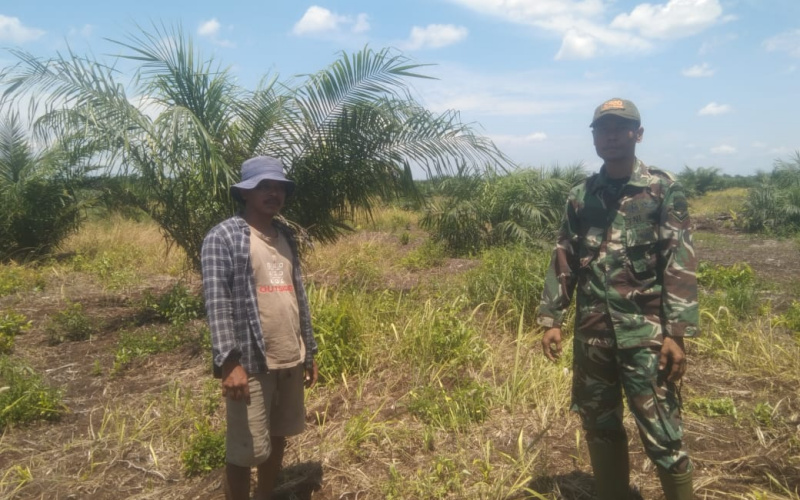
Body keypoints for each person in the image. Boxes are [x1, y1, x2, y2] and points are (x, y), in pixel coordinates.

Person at [538, 98, 698, 500]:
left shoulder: (662, 189)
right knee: (599, 422)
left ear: (637, 135)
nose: (610, 135)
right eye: (602, 129)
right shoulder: (581, 196)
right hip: (592, 333)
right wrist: (552, 318)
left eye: (620, 128)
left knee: (661, 428)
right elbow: (565, 255)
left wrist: (676, 333)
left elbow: (679, 260)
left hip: (646, 334)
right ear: (594, 138)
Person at [201, 155, 319, 500]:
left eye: (279, 187)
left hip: (288, 356)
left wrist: (308, 351)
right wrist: (229, 362)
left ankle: (265, 495)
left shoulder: (284, 236)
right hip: (249, 361)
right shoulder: (223, 236)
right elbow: (216, 302)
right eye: (263, 186)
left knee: (278, 436)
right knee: (244, 450)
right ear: (245, 193)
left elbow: (298, 297)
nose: (273, 193)